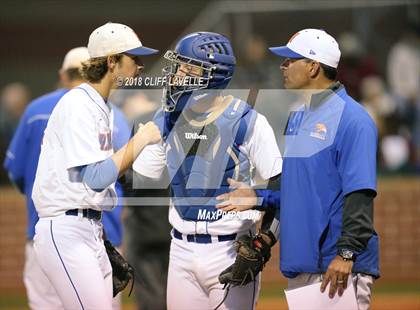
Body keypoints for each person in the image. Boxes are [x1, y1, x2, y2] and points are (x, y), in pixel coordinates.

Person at [216, 29, 380, 310]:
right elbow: (296, 186)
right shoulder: (299, 116)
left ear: (314, 66)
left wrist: (346, 254)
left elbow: (360, 194)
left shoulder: (354, 119)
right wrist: (258, 197)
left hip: (336, 266)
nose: (283, 66)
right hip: (304, 262)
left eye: (290, 60)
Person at [132, 32, 282, 310]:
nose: (177, 76)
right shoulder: (165, 117)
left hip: (230, 248)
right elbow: (144, 174)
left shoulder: (247, 121)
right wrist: (143, 139)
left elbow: (283, 185)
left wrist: (263, 239)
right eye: (178, 67)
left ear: (214, 75)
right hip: (179, 248)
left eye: (188, 68)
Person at [31, 22, 161, 309]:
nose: (139, 66)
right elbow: (97, 178)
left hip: (90, 228)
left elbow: (111, 172)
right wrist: (140, 139)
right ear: (112, 60)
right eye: (133, 58)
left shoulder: (101, 107)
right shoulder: (78, 104)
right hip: (66, 228)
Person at [121, 93, 171, 310]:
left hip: (145, 229)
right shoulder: (183, 132)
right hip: (176, 229)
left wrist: (120, 175)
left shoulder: (142, 137)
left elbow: (133, 186)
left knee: (152, 297)